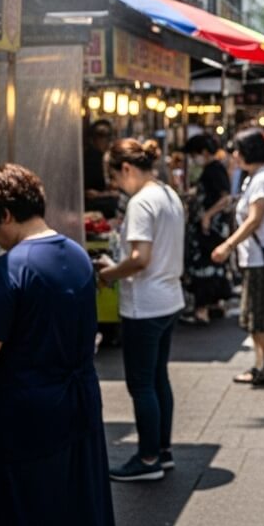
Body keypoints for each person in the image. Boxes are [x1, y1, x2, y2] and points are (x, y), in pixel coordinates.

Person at [0, 164, 113, 526]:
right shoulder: (77, 255)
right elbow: (51, 323)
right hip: (79, 403)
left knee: (25, 506)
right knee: (75, 500)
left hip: (26, 413)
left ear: (6, 214)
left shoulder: (11, 266)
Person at [96, 139, 186, 482]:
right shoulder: (167, 194)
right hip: (169, 298)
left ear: (127, 169)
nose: (117, 187)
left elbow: (139, 259)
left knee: (141, 384)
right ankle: (162, 451)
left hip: (145, 304)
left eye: (116, 179)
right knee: (158, 378)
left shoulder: (141, 202)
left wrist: (107, 273)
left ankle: (147, 458)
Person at [211, 128, 264, 386]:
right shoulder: (254, 177)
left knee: (257, 314)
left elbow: (255, 219)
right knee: (253, 315)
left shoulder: (262, 179)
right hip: (253, 257)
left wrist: (228, 245)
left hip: (259, 257)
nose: (234, 155)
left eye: (238, 150)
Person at [179, 135, 233, 326]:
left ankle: (202, 309)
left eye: (194, 155)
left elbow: (225, 198)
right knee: (212, 264)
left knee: (203, 265)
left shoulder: (214, 169)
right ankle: (213, 305)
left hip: (210, 228)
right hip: (211, 226)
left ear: (203, 152)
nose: (194, 159)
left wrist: (207, 215)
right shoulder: (213, 169)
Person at [83, 119, 121, 218]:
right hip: (92, 206)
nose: (107, 141)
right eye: (102, 137)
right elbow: (89, 193)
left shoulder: (102, 157)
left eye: (109, 137)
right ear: (93, 138)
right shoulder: (91, 158)